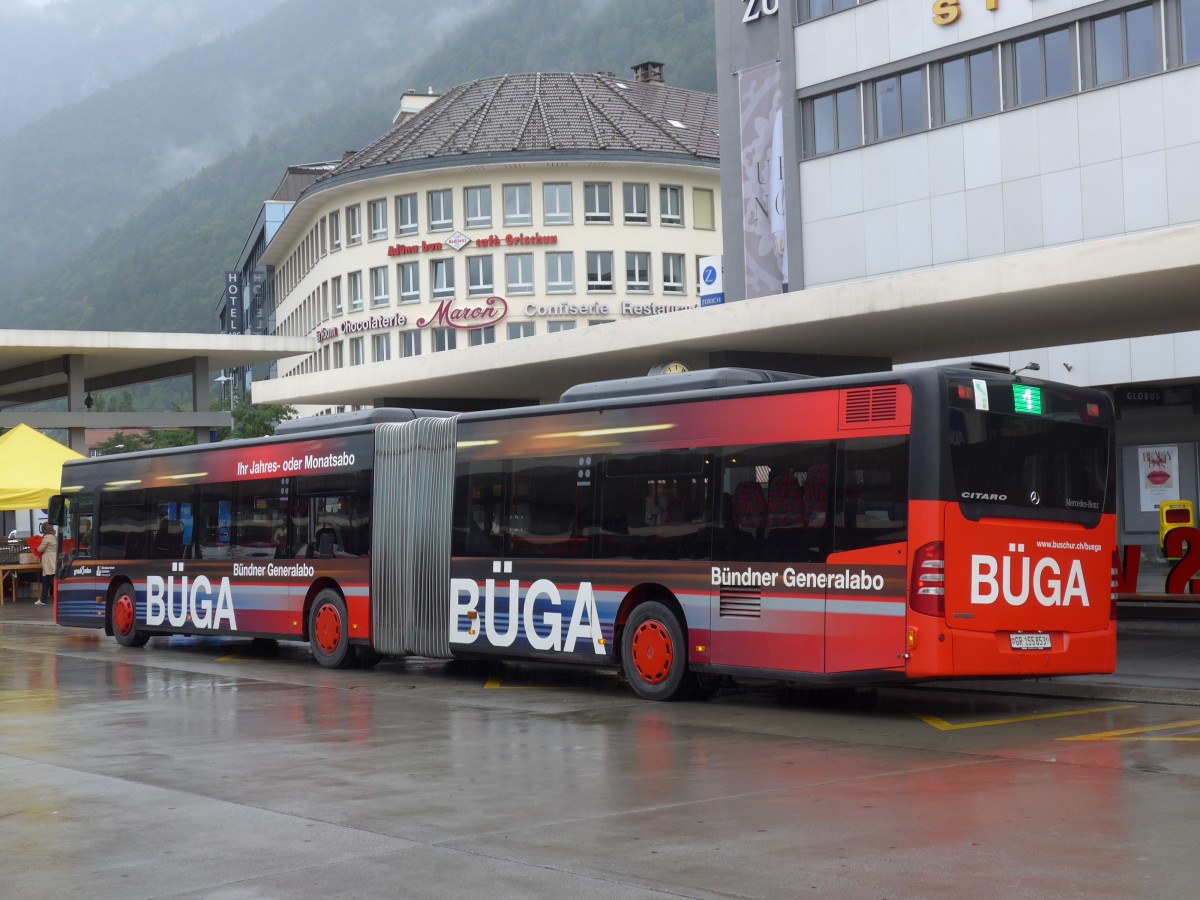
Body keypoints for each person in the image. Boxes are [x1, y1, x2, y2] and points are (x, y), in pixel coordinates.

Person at [35, 522, 57, 606]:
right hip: (53, 558)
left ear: (44, 529)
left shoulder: (47, 537)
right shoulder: (54, 537)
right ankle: (43, 599)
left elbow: (41, 549)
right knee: (46, 581)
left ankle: (45, 600)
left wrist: (36, 547)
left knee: (50, 581)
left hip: (48, 560)